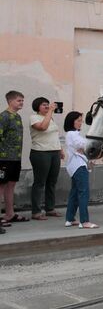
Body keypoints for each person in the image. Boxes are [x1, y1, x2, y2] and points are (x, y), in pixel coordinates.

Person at [29, 97, 65, 220]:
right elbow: (43, 127)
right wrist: (50, 111)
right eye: (44, 105)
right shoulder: (34, 118)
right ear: (37, 107)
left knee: (52, 182)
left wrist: (60, 149)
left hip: (54, 152)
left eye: (47, 105)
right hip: (40, 152)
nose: (46, 106)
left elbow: (54, 135)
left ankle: (50, 208)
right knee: (40, 182)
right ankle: (36, 211)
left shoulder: (51, 118)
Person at [63, 111, 98, 229]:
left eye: (81, 120)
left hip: (76, 166)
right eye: (78, 120)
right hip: (79, 166)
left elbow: (83, 147)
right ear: (71, 121)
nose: (80, 123)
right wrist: (89, 145)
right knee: (84, 193)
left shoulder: (73, 134)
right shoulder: (72, 134)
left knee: (74, 193)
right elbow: (83, 144)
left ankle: (70, 219)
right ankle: (84, 221)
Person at [0, 90, 28, 232]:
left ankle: (9, 214)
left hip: (15, 158)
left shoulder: (17, 117)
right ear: (10, 101)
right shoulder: (4, 117)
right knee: (1, 187)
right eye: (19, 100)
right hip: (3, 158)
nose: (21, 103)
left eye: (22, 100)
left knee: (11, 185)